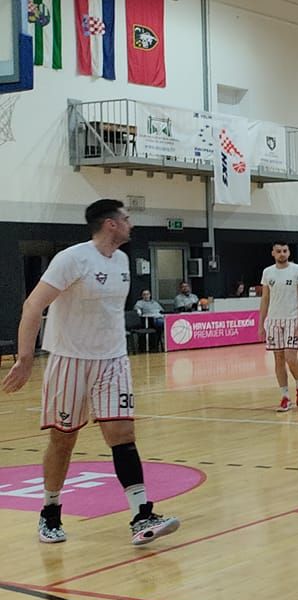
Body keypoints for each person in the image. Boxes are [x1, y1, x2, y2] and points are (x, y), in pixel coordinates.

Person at [1, 199, 180, 546]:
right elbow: (33, 304)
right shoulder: (72, 259)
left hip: (113, 360)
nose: (131, 224)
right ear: (111, 224)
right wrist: (24, 358)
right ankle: (50, 512)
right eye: (126, 218)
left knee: (123, 434)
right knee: (63, 439)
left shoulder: (123, 260)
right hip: (70, 360)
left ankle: (141, 515)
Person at [258, 242, 298, 413]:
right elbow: (265, 299)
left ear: (289, 252)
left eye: (285, 251)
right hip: (274, 321)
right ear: (273, 253)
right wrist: (261, 324)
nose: (282, 254)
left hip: (292, 319)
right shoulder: (267, 272)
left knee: (290, 356)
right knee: (279, 359)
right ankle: (285, 396)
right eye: (278, 251)